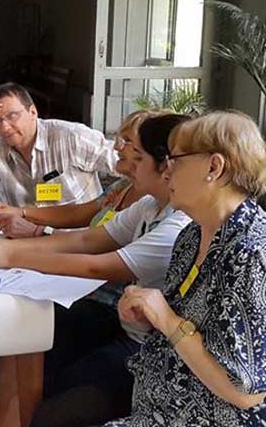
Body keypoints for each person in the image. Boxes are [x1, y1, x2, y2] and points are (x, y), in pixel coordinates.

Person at [0, 114, 192, 427]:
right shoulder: (149, 203)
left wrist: (12, 253)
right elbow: (88, 239)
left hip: (142, 339)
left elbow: (99, 264)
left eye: (137, 154)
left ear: (166, 166)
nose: (120, 150)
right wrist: (13, 249)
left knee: (51, 392)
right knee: (16, 333)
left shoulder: (178, 223)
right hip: (126, 324)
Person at [105, 111, 266, 426]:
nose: (166, 173)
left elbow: (244, 392)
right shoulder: (192, 236)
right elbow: (186, 327)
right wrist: (149, 316)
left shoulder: (251, 255)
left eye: (175, 160)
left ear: (213, 167)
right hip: (159, 406)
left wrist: (165, 319)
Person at [0, 110, 166, 239]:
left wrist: (36, 232)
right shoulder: (124, 186)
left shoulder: (153, 203)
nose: (117, 147)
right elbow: (81, 213)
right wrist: (21, 212)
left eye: (126, 141)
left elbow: (99, 248)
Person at [0, 82, 119, 207]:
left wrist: (120, 212)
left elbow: (126, 164)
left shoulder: (71, 137)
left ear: (33, 112)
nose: (5, 126)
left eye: (12, 116)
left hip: (79, 237)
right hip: (30, 236)